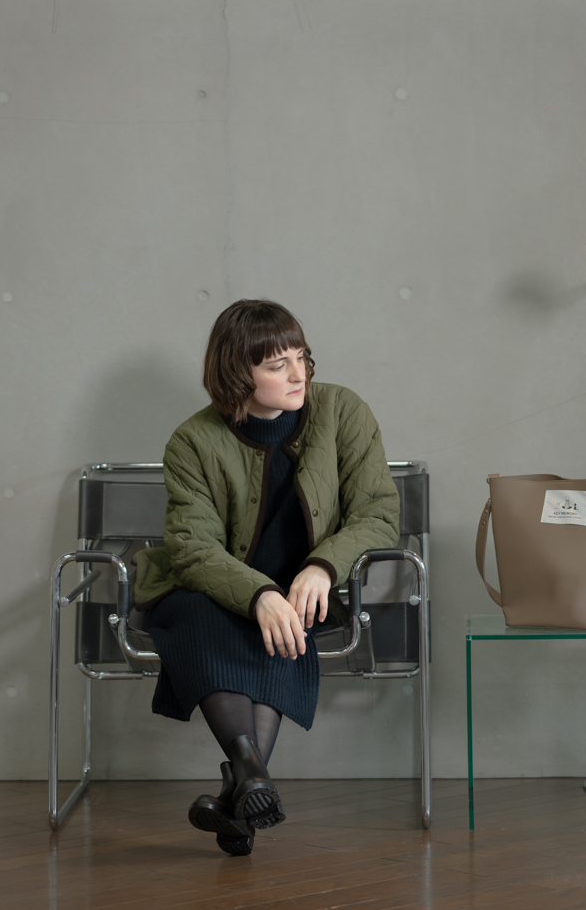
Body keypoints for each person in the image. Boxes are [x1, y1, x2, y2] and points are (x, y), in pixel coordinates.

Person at [133, 299, 400, 855]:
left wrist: (322, 566)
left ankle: (243, 785)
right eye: (278, 365)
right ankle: (250, 778)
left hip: (305, 590)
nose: (299, 374)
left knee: (287, 622)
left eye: (301, 357)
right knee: (200, 612)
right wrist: (258, 594)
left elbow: (377, 514)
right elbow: (193, 548)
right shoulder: (192, 440)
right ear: (238, 372)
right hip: (209, 589)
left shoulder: (342, 411)